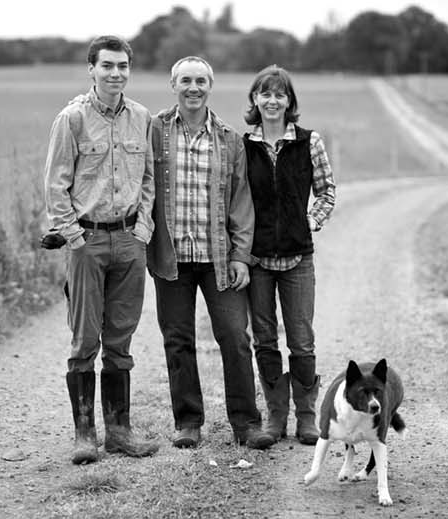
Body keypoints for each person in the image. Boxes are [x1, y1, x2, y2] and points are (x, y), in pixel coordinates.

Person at [41, 35, 159, 464]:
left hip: (129, 242)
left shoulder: (142, 117)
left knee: (121, 340)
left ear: (130, 69)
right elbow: (55, 185)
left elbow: (148, 179)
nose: (115, 73)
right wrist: (74, 237)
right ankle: (85, 436)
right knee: (84, 340)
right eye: (107, 65)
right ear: (91, 69)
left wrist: (143, 229)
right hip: (86, 242)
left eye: (122, 66)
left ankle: (121, 434)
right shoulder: (71, 119)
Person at [146, 56, 274, 450]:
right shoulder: (154, 131)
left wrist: (241, 256)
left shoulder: (229, 138)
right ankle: (188, 422)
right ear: (173, 85)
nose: (193, 88)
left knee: (235, 337)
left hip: (218, 256)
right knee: (178, 339)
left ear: (210, 86)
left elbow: (241, 202)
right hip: (172, 258)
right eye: (185, 80)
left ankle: (246, 423)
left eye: (201, 81)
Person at [242, 65, 338, 446]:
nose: (272, 100)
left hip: (299, 258)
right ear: (254, 99)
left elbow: (327, 191)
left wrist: (311, 222)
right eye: (265, 93)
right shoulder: (242, 145)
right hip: (258, 259)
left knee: (301, 340)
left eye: (280, 94)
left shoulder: (309, 142)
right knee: (264, 340)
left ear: (290, 101)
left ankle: (307, 416)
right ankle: (276, 415)